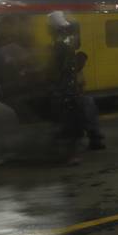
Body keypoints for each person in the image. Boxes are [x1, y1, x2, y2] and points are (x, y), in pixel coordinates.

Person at [48, 11, 85, 164]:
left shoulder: (60, 46)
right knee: (70, 122)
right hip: (68, 89)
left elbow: (57, 70)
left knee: (67, 122)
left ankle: (69, 154)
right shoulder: (64, 46)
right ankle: (70, 153)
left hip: (65, 90)